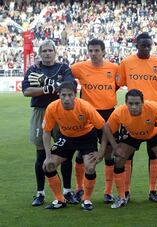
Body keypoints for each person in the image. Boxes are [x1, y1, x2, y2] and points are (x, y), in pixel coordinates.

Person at [118, 32, 157, 202]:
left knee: (155, 155)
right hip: (131, 116)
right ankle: (126, 193)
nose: (146, 48)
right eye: (143, 45)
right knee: (126, 156)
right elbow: (116, 84)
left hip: (154, 115)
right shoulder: (126, 63)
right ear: (136, 45)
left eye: (149, 45)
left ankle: (153, 191)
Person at [22, 39, 76, 206]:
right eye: (44, 51)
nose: (47, 53)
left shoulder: (64, 68)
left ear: (55, 52)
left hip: (61, 112)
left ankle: (67, 192)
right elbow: (26, 91)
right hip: (41, 112)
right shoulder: (33, 69)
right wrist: (46, 88)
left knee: (65, 153)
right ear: (40, 53)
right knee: (40, 154)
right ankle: (40, 193)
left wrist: (49, 83)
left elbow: (69, 86)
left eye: (49, 50)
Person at [100, 89, 157, 209]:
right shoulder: (120, 112)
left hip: (153, 132)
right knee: (119, 158)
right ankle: (121, 197)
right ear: (126, 103)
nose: (134, 107)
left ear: (143, 102)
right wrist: (115, 147)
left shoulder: (153, 107)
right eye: (130, 104)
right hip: (133, 134)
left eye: (137, 103)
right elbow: (107, 128)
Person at [42, 81, 105, 211]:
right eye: (63, 95)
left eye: (70, 95)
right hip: (66, 138)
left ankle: (86, 199)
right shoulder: (52, 107)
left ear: (75, 95)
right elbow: (46, 132)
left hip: (87, 137)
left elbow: (104, 128)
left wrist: (101, 152)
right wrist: (48, 156)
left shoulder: (85, 107)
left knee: (90, 166)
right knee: (48, 165)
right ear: (58, 94)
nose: (66, 98)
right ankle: (60, 200)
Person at [70, 38, 120, 204]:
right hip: (87, 115)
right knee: (82, 151)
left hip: (108, 114)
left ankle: (108, 191)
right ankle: (79, 188)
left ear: (103, 51)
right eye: (90, 50)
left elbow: (118, 84)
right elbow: (65, 75)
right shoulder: (79, 67)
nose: (93, 53)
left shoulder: (113, 68)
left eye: (97, 50)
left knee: (108, 153)